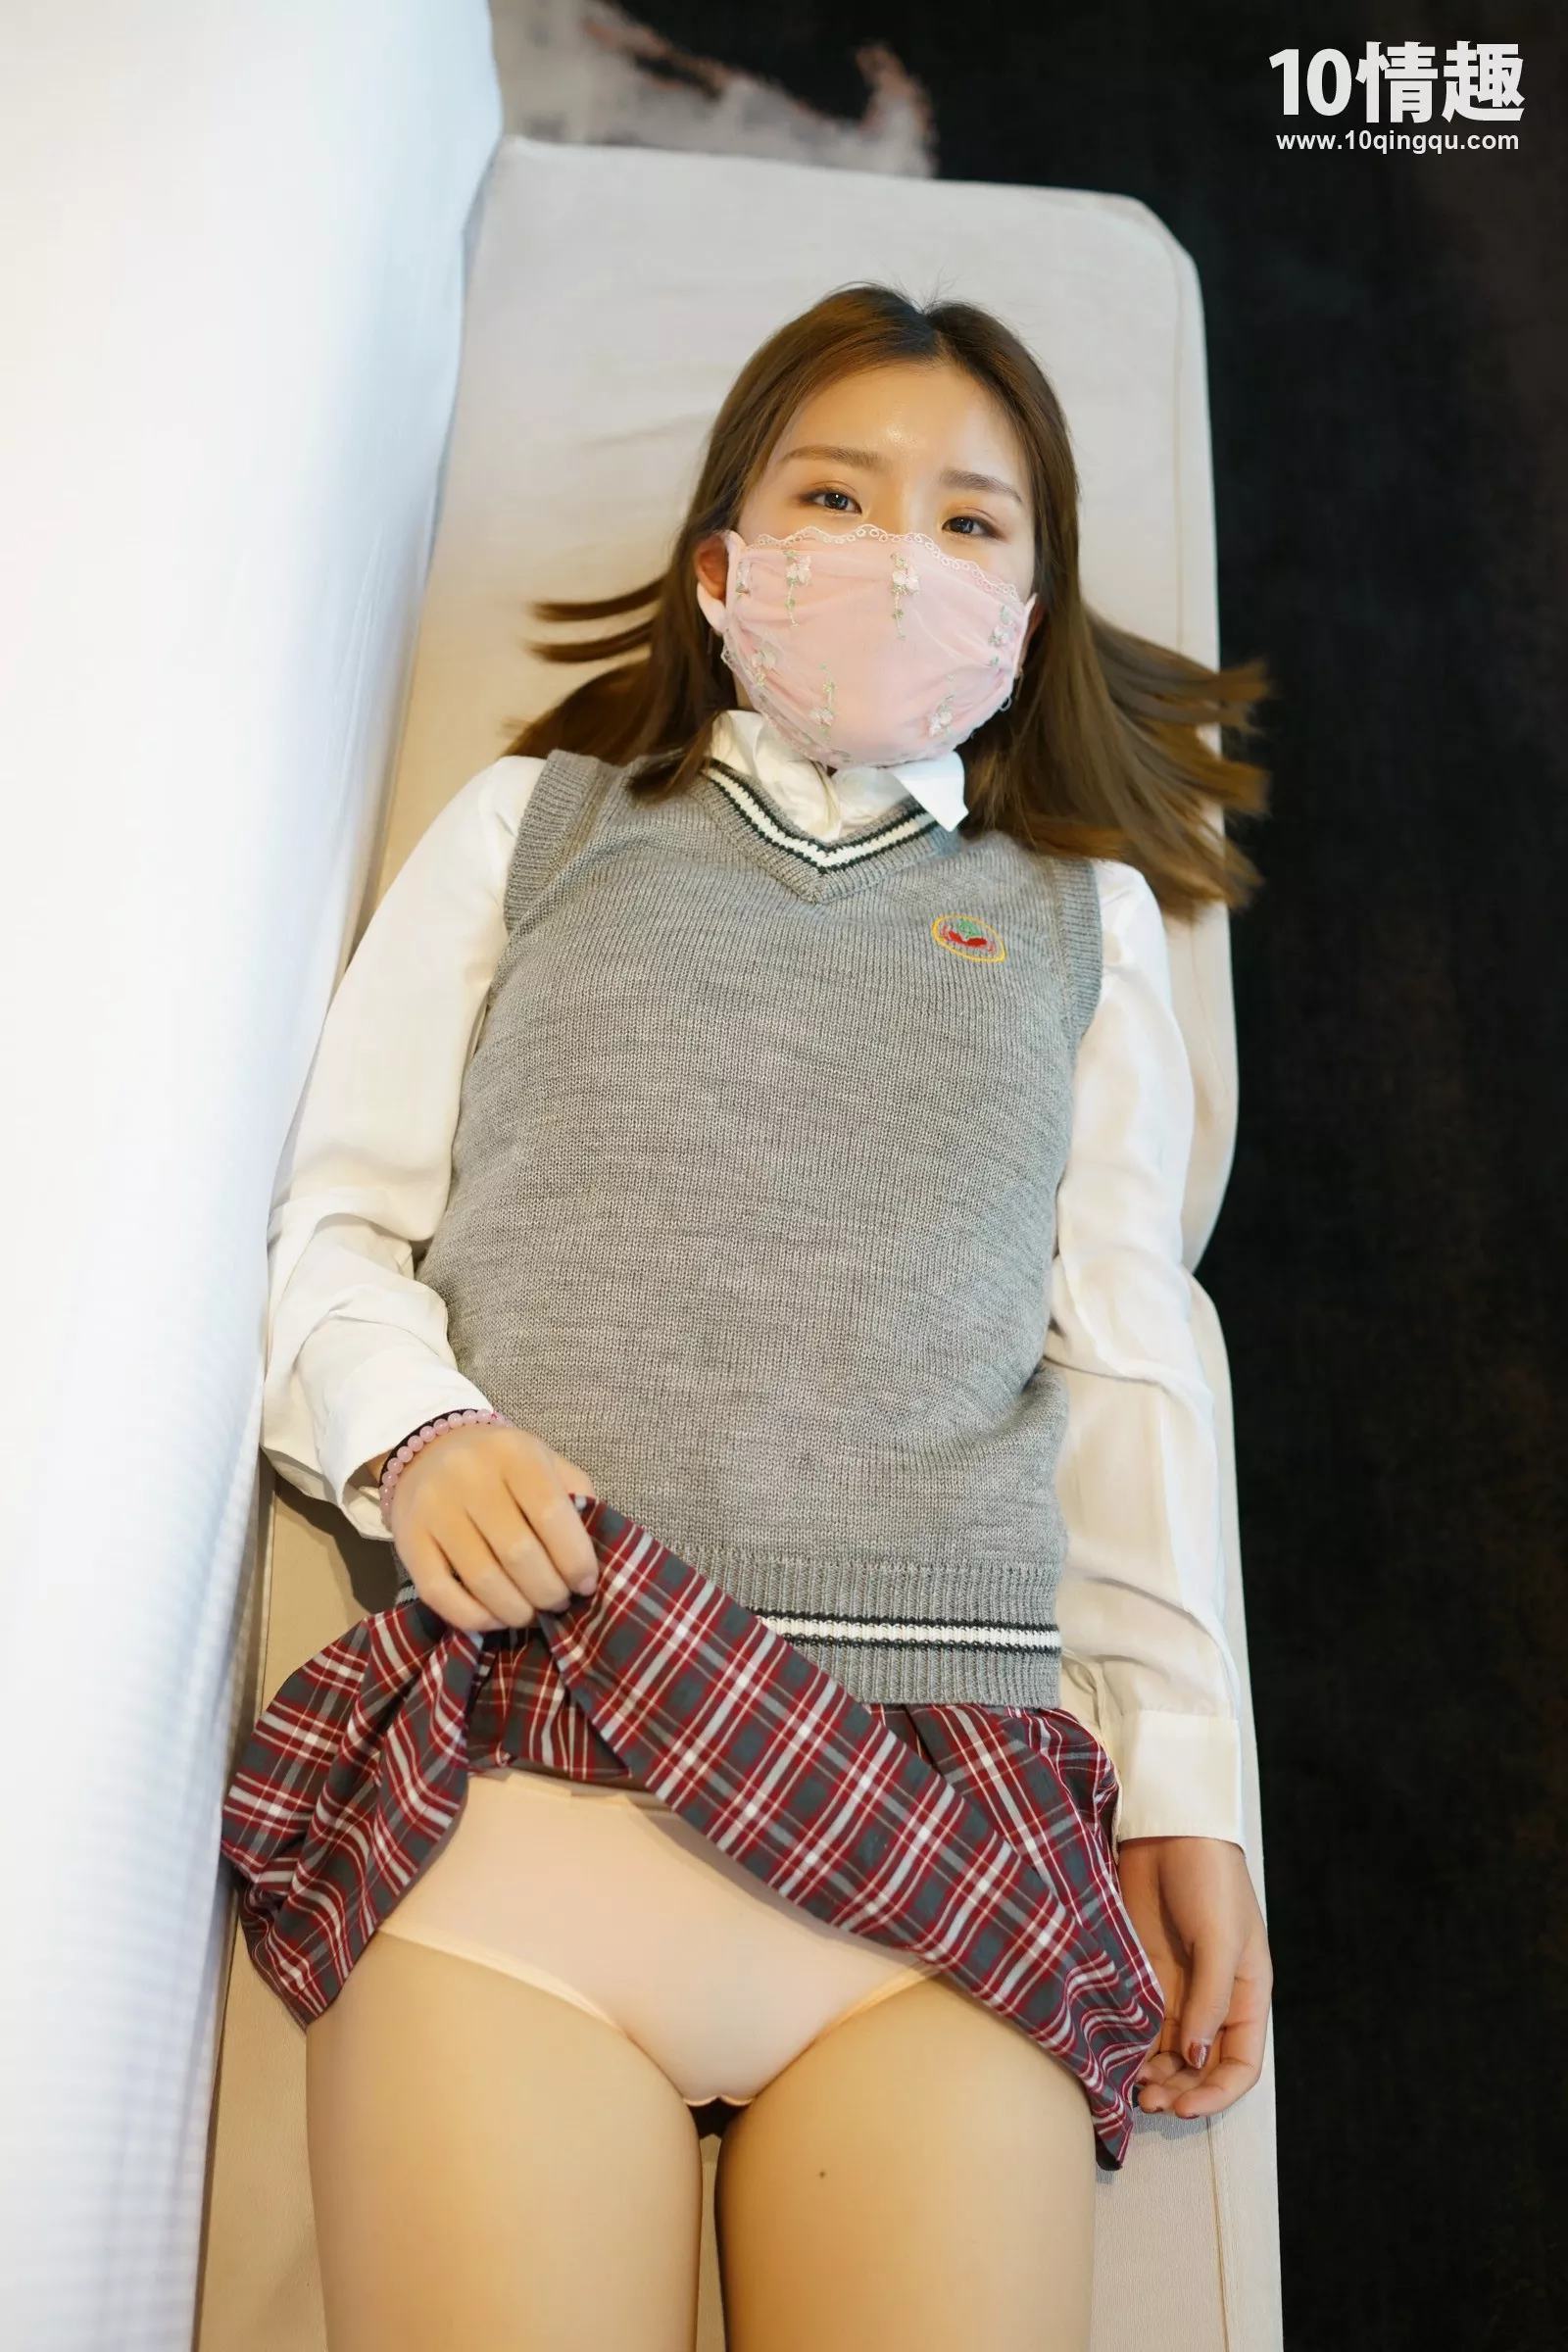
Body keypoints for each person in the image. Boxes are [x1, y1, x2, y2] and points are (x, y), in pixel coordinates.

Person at [233, 283, 1275, 2351]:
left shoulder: (1077, 921)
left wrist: (1186, 1781)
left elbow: (1129, 1353)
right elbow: (335, 1226)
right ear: (723, 567)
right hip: (524, 1768)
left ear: (1025, 615)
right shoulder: (536, 830)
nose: (899, 554)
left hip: (942, 1817)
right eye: (835, 496)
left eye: (969, 523)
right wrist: (414, 1435)